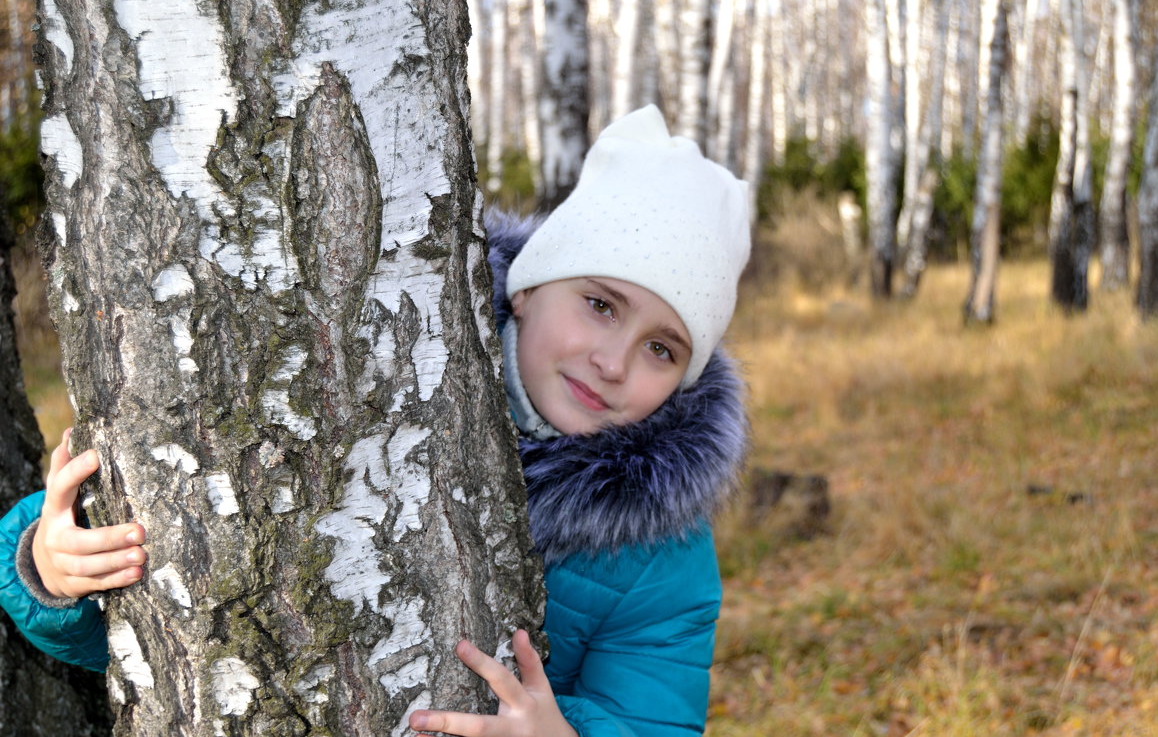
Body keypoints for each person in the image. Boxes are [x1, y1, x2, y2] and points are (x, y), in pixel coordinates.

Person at [0, 104, 752, 737]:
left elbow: (655, 719)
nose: (614, 362)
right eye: (599, 304)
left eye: (661, 348)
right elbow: (181, 633)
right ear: (527, 287)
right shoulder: (377, 372)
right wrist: (52, 566)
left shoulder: (659, 546)